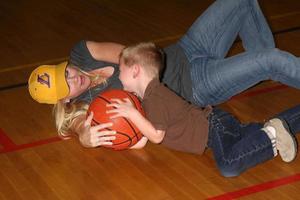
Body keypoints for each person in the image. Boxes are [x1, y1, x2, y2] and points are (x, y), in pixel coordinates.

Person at [28, 0, 300, 147]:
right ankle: (268, 66)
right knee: (271, 60)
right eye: (66, 86)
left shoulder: (81, 53)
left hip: (187, 47)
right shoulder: (90, 108)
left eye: (65, 72)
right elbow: (77, 127)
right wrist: (84, 138)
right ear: (65, 100)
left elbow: (130, 53)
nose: (73, 78)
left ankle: (266, 68)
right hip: (195, 85)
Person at [105, 42, 298, 177]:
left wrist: (131, 113)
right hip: (215, 124)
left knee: (229, 165)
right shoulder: (150, 96)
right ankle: (276, 128)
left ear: (135, 70)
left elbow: (155, 135)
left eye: (121, 71)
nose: (119, 76)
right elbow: (144, 136)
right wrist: (122, 142)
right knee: (263, 131)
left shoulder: (155, 97)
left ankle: (271, 135)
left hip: (214, 128)